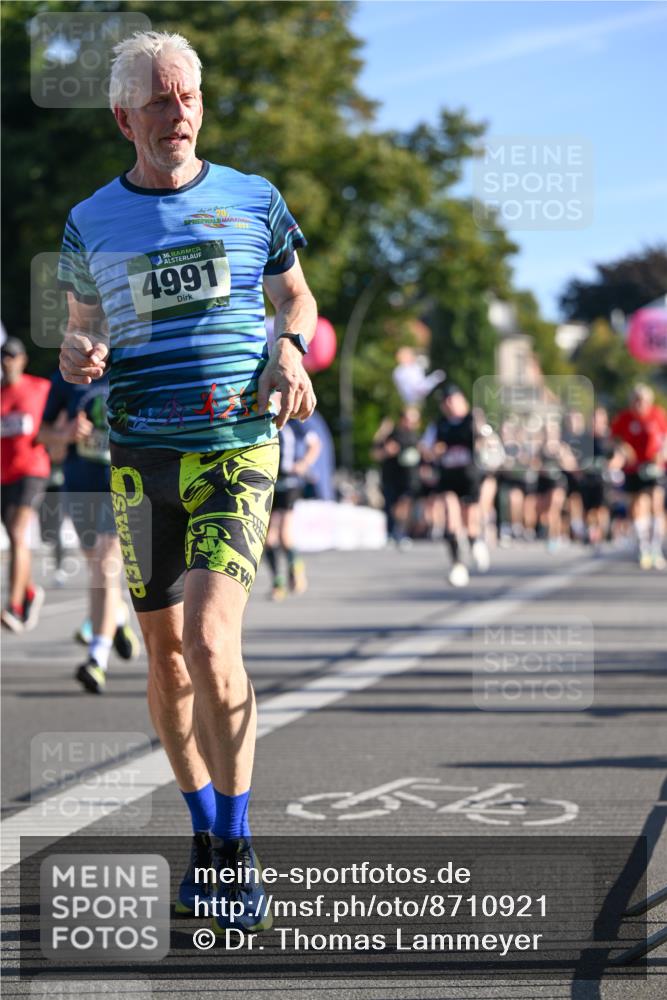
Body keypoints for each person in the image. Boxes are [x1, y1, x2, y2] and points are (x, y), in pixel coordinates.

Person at [56, 31, 316, 933]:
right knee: (165, 657)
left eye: (190, 96)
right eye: (161, 101)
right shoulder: (90, 218)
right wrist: (78, 353)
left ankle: (238, 847)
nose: (180, 114)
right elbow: (80, 329)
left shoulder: (254, 199)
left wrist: (290, 348)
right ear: (124, 116)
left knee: (209, 642)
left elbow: (298, 299)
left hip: (235, 444)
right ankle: (202, 828)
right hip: (139, 452)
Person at [37, 370, 140, 693]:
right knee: (98, 568)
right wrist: (65, 432)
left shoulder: (134, 364)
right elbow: (42, 433)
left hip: (124, 483)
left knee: (106, 564)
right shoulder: (69, 374)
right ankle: (118, 616)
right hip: (80, 486)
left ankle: (97, 658)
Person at [0, 338, 50, 632]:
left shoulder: (40, 388)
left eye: (12, 356)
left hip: (32, 471)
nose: (7, 361)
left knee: (19, 533)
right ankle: (30, 590)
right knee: (15, 539)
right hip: (4, 476)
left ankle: (15, 606)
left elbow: (55, 418)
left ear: (22, 360)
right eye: (3, 356)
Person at [422, 385, 489, 587]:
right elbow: (426, 448)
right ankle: (458, 566)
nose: (450, 404)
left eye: (453, 399)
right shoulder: (439, 425)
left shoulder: (472, 420)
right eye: (446, 401)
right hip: (448, 477)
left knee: (470, 521)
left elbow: (487, 440)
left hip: (469, 477)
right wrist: (434, 452)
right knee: (451, 518)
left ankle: (475, 542)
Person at [264, 418, 321, 600]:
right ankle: (278, 581)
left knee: (284, 535)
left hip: (290, 483)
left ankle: (296, 569)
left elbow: (314, 444)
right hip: (269, 482)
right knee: (268, 539)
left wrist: (303, 464)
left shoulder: (295, 420)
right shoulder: (263, 413)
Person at [611, 384, 667, 569]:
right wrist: (623, 449)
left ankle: (656, 547)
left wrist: (662, 454)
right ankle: (643, 547)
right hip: (633, 469)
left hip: (654, 467)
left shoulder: (658, 415)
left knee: (656, 503)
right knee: (637, 505)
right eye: (636, 400)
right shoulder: (625, 417)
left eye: (642, 400)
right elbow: (614, 437)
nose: (639, 404)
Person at [372, 407, 422, 547]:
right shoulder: (393, 434)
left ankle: (401, 532)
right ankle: (391, 532)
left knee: (405, 504)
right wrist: (386, 447)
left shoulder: (416, 436)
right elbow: (376, 452)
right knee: (391, 506)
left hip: (410, 477)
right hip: (392, 477)